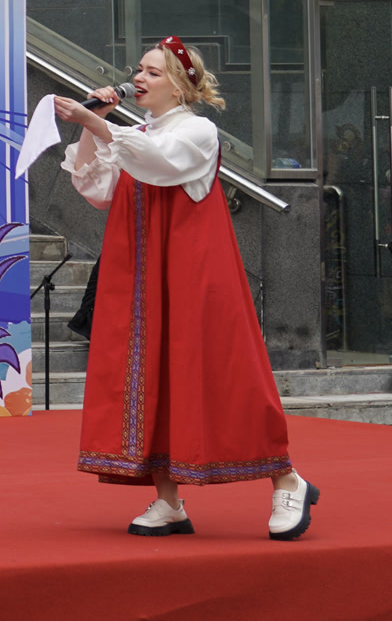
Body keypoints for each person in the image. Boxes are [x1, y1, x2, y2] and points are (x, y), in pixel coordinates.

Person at [54, 36, 317, 541]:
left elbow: (160, 162)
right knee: (151, 377)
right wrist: (92, 124)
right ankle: (169, 501)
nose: (139, 78)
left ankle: (287, 479)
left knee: (224, 373)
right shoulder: (133, 134)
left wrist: (99, 123)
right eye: (140, 69)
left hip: (193, 273)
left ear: (178, 86)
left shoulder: (197, 130)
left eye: (153, 72)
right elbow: (95, 189)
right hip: (140, 275)